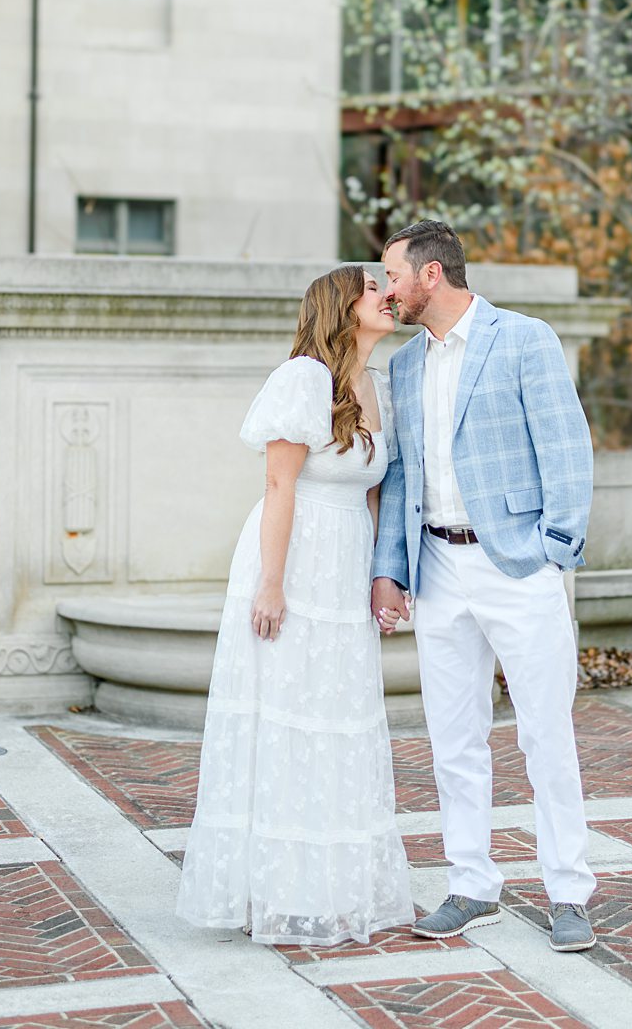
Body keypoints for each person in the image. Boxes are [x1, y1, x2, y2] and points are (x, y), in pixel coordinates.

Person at [368, 218, 598, 951]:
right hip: (437, 568)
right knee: (452, 738)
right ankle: (471, 884)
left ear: (431, 274)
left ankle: (569, 891)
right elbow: (400, 475)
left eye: (393, 276)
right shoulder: (404, 365)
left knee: (545, 733)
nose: (387, 290)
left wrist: (554, 551)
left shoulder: (524, 339)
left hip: (518, 566)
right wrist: (390, 569)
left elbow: (567, 446)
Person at [177, 265, 414, 945]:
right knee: (285, 713)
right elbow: (279, 486)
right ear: (342, 307)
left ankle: (331, 885)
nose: (388, 296)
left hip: (346, 562)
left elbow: (375, 492)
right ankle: (276, 888)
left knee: (337, 715)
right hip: (294, 555)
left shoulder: (378, 386)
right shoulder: (304, 378)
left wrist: (383, 576)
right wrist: (272, 583)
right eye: (374, 289)